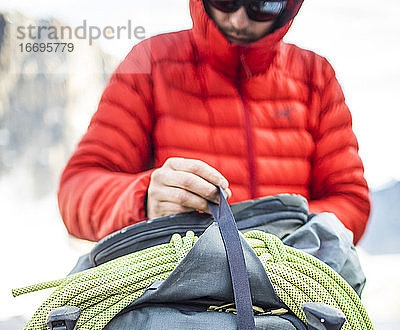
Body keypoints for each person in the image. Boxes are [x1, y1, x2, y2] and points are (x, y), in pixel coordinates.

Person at [58, 0, 370, 244]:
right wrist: (143, 199)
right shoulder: (151, 62)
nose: (239, 20)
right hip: (176, 290)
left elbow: (351, 202)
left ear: (289, 6)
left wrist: (281, 230)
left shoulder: (315, 77)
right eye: (225, 1)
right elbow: (76, 192)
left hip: (289, 289)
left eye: (263, 4)